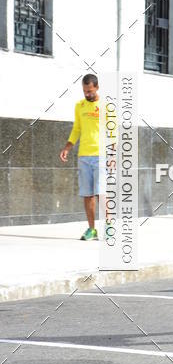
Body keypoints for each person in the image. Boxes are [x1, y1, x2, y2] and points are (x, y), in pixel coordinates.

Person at [59, 73, 101, 240]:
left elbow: (113, 131)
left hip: (102, 155)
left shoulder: (107, 106)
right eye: (84, 91)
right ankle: (92, 230)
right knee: (87, 194)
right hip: (84, 155)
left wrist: (112, 155)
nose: (87, 94)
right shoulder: (79, 106)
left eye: (90, 91)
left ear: (97, 87)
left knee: (102, 193)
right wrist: (67, 148)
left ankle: (110, 227)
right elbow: (76, 129)